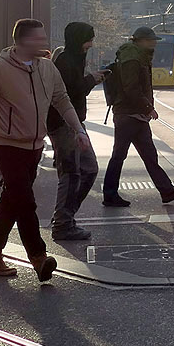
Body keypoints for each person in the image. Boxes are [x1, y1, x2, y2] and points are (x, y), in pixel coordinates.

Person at [0, 19, 91, 281]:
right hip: (6, 145)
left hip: (35, 146)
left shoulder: (46, 68)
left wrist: (78, 130)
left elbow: (62, 100)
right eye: (38, 38)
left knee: (11, 202)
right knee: (25, 202)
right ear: (22, 41)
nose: (44, 42)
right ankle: (39, 258)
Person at [101, 27, 174, 207]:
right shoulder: (132, 59)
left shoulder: (137, 56)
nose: (154, 44)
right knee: (120, 155)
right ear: (140, 41)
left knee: (148, 155)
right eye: (151, 40)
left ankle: (166, 190)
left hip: (135, 115)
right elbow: (131, 87)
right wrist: (148, 107)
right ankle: (110, 194)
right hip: (128, 114)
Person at [47, 22, 102, 241]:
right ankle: (62, 224)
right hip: (64, 124)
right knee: (71, 172)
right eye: (88, 39)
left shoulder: (73, 58)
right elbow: (69, 91)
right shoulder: (65, 61)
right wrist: (92, 79)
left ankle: (65, 217)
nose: (91, 43)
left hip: (75, 123)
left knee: (88, 169)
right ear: (78, 39)